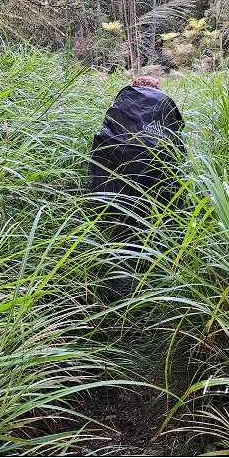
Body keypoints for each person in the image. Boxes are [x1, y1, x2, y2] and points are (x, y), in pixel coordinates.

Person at [88, 76, 186, 298]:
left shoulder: (121, 105)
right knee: (153, 237)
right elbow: (179, 153)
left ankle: (123, 299)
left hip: (118, 191)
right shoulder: (166, 107)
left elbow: (101, 147)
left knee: (122, 239)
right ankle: (155, 295)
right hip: (156, 192)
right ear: (157, 89)